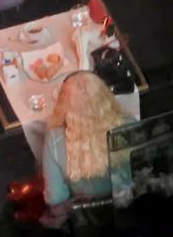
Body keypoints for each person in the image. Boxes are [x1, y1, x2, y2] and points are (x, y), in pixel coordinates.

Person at [40, 70, 125, 222]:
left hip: (85, 219)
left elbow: (56, 197)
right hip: (125, 209)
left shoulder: (54, 139)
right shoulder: (127, 124)